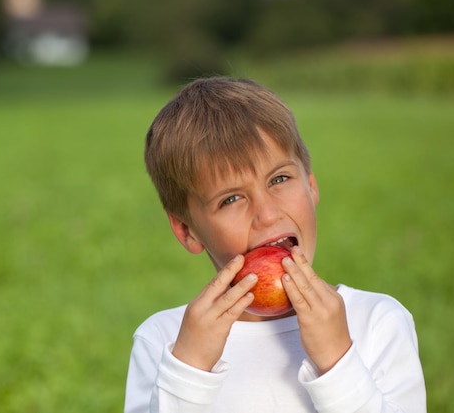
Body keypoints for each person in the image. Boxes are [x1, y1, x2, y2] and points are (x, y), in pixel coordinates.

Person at [124, 77, 426, 413]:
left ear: (311, 185)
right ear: (187, 231)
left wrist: (337, 361)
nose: (266, 215)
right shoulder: (165, 341)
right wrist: (188, 371)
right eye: (231, 199)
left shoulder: (376, 323)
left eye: (279, 179)